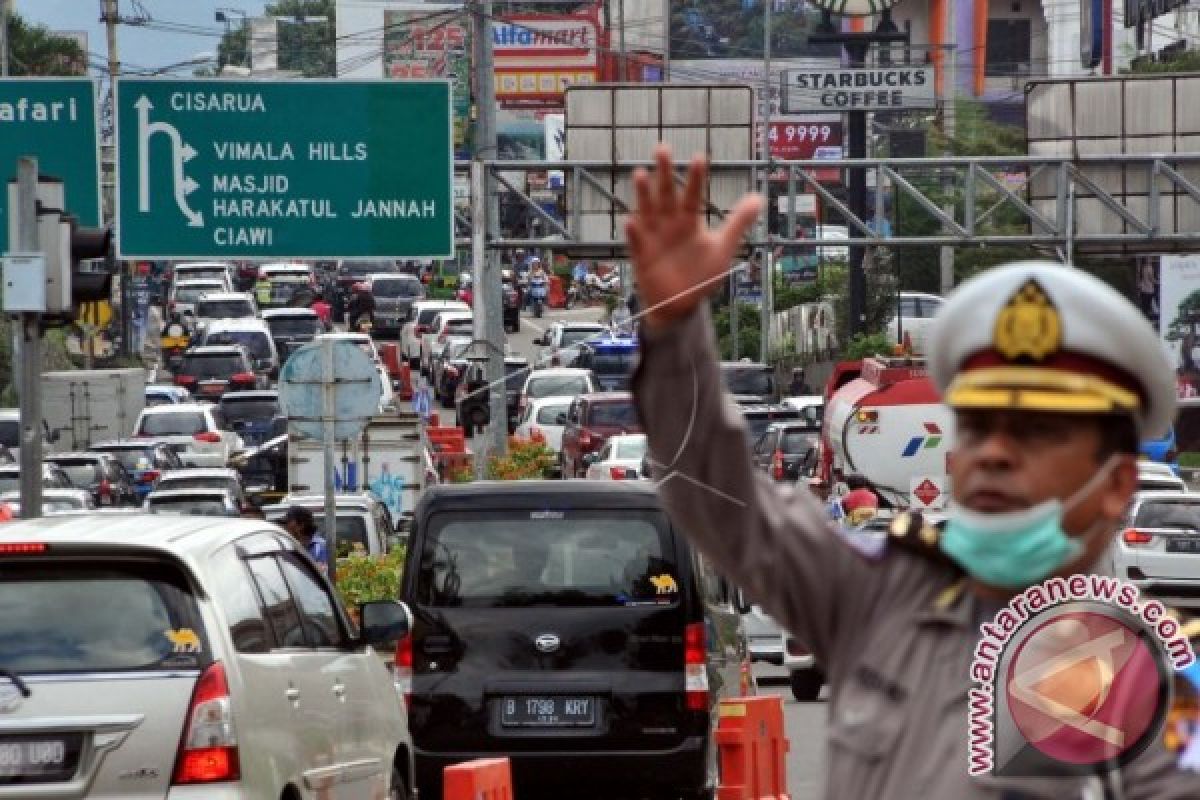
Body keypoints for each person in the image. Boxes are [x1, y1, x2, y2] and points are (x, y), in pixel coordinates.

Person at [625, 144, 1200, 797]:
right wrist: (675, 332)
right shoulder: (880, 591)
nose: (992, 452)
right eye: (977, 426)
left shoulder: (1157, 686)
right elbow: (714, 495)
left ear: (1117, 484)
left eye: (1036, 433)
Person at [282, 506, 328, 572]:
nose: (285, 526)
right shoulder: (286, 544)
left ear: (301, 525)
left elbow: (322, 573)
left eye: (288, 521)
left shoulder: (319, 546)